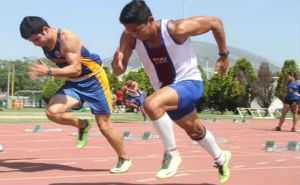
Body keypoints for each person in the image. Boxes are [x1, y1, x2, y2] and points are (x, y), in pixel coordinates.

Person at [112, 0, 231, 183]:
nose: (135, 35)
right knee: (195, 131)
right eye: (130, 31)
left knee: (151, 104)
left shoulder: (175, 30)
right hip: (166, 92)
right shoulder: (129, 36)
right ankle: (221, 158)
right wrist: (117, 65)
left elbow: (216, 22)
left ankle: (172, 154)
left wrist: (223, 55)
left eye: (138, 30)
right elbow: (120, 68)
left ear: (150, 20)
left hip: (189, 84)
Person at [20, 16, 131, 173]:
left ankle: (124, 158)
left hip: (94, 82)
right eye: (32, 41)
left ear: (45, 30)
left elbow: (76, 69)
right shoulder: (46, 42)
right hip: (74, 83)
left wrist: (48, 71)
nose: (36, 44)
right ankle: (82, 125)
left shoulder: (67, 37)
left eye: (36, 39)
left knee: (104, 126)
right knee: (52, 112)